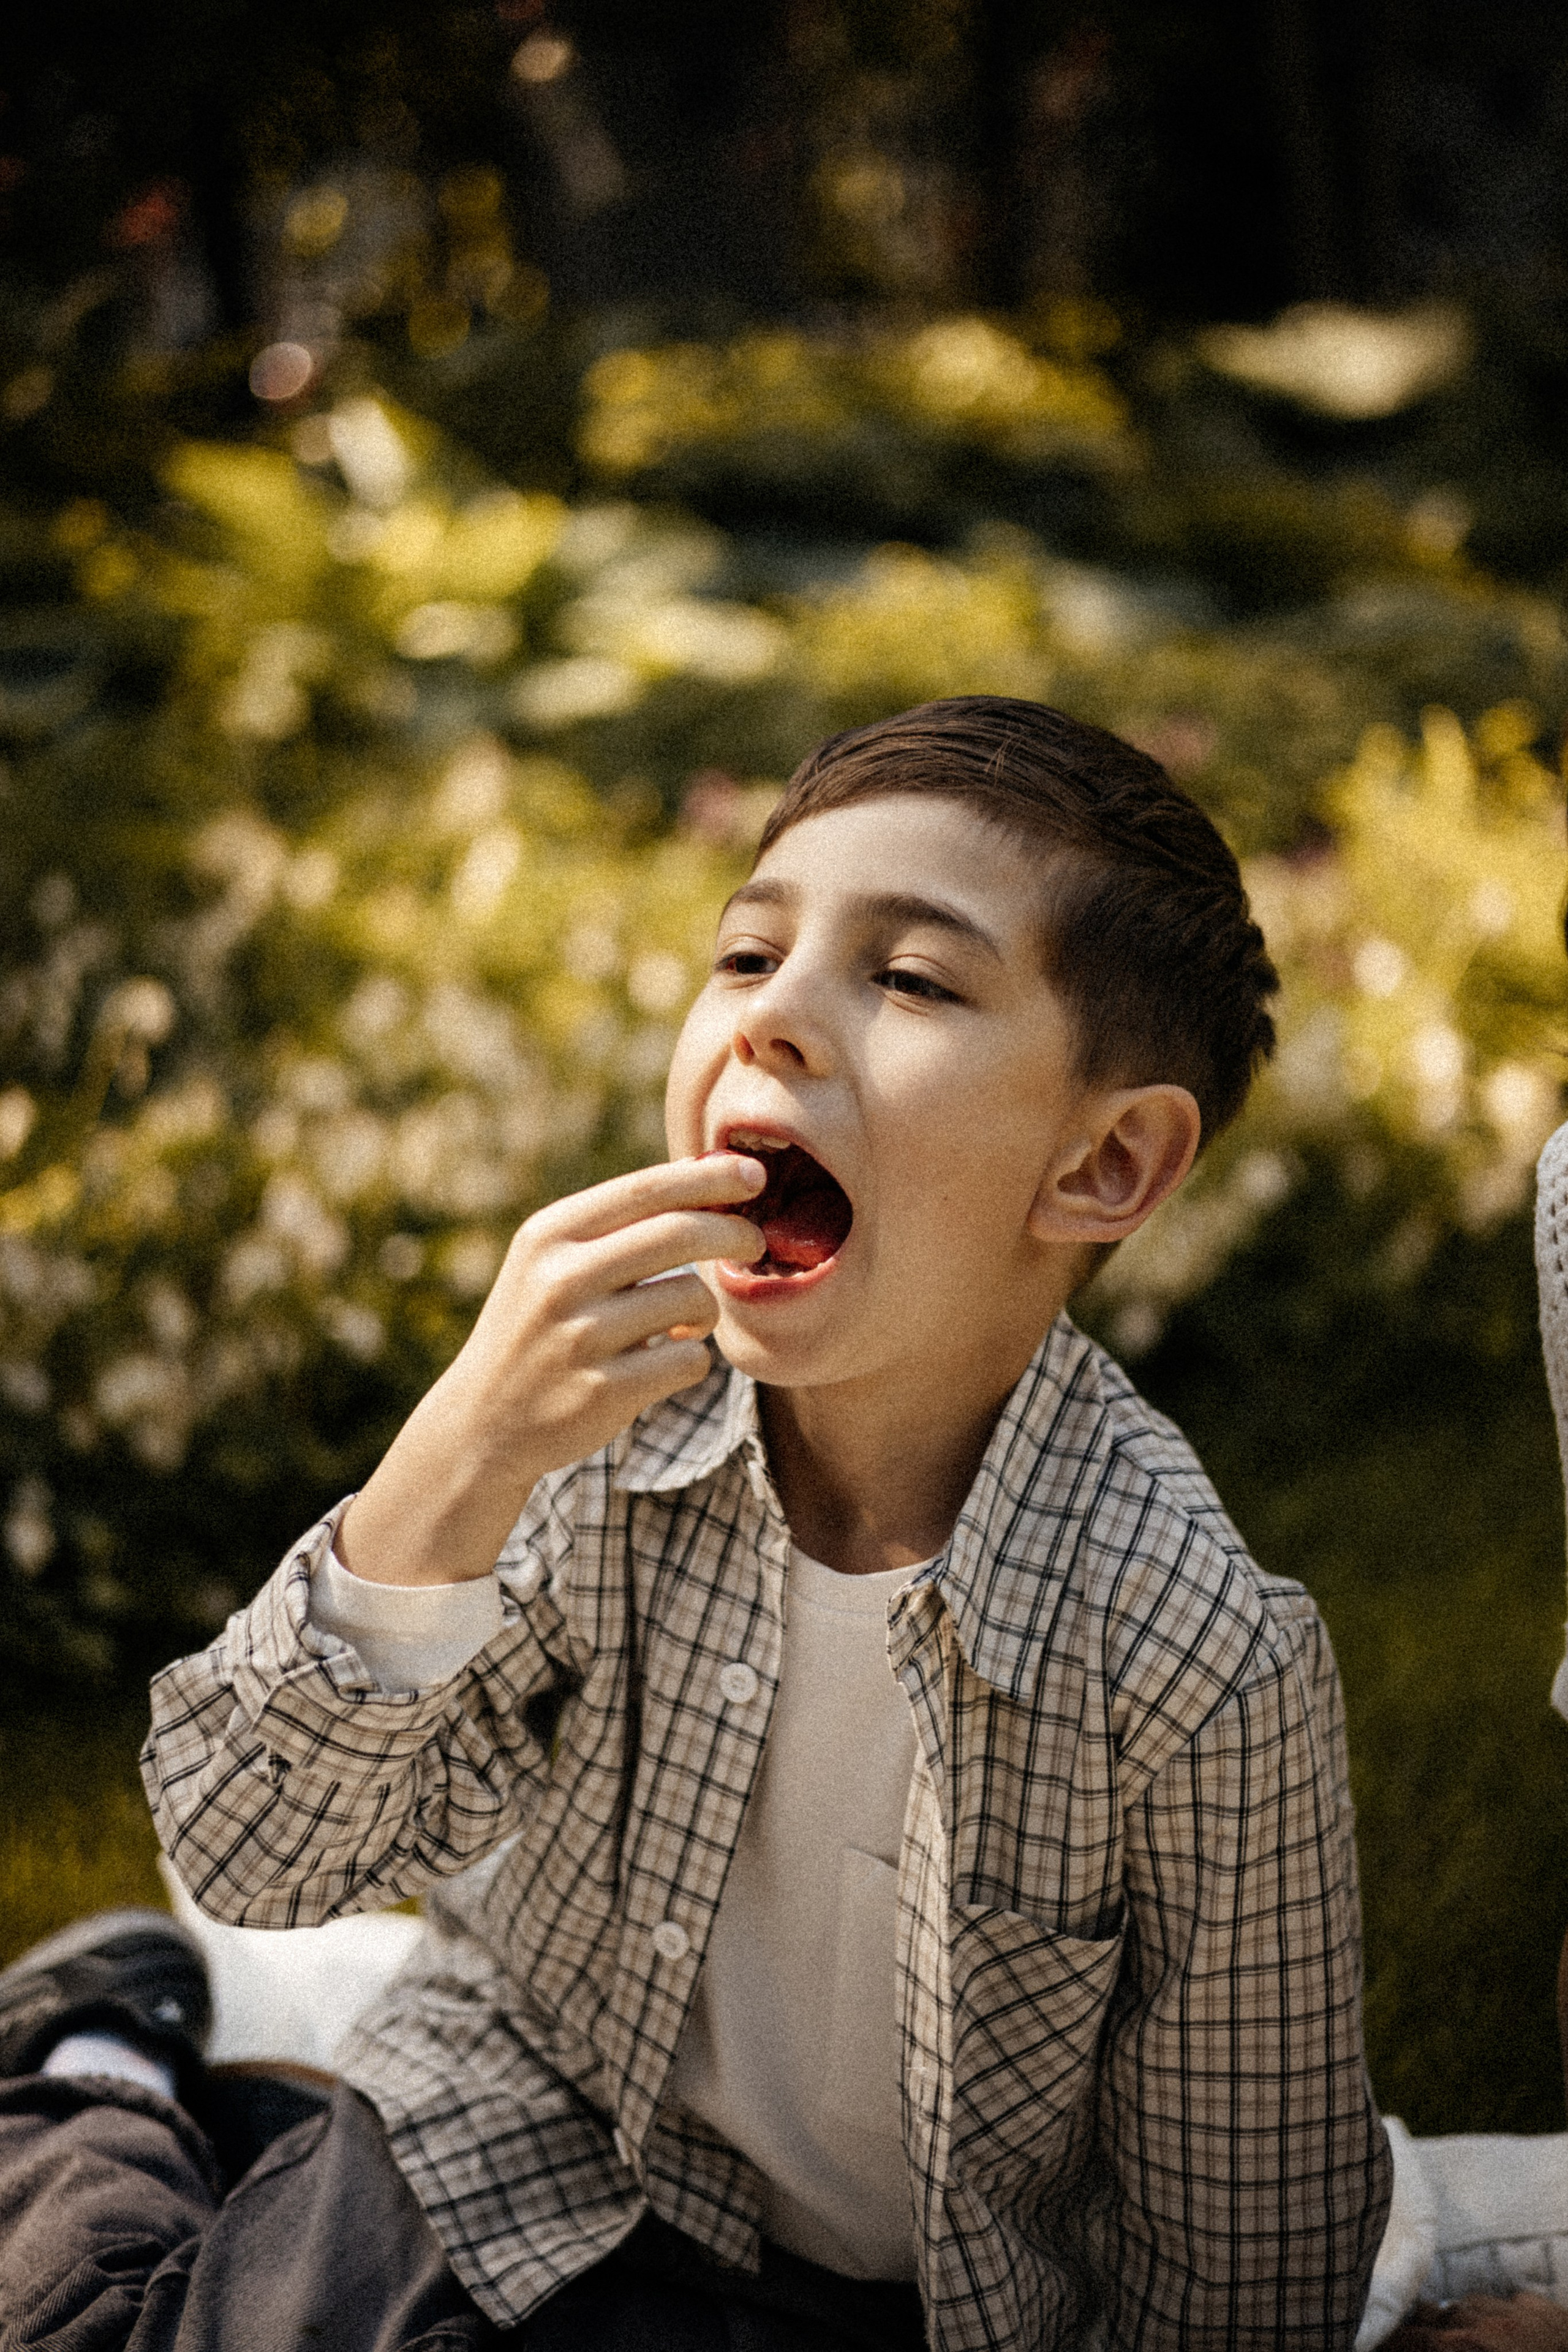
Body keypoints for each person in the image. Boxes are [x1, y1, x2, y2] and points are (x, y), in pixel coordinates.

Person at [0, 696, 1392, 2349]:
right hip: (513, 2160)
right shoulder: (591, 1455)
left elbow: (1246, 2252)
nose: (778, 1019)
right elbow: (256, 1853)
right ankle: (98, 2056)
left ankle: (218, 2107)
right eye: (746, 959)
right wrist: (443, 1469)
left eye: (911, 979)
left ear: (1102, 1164)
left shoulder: (1204, 1663)